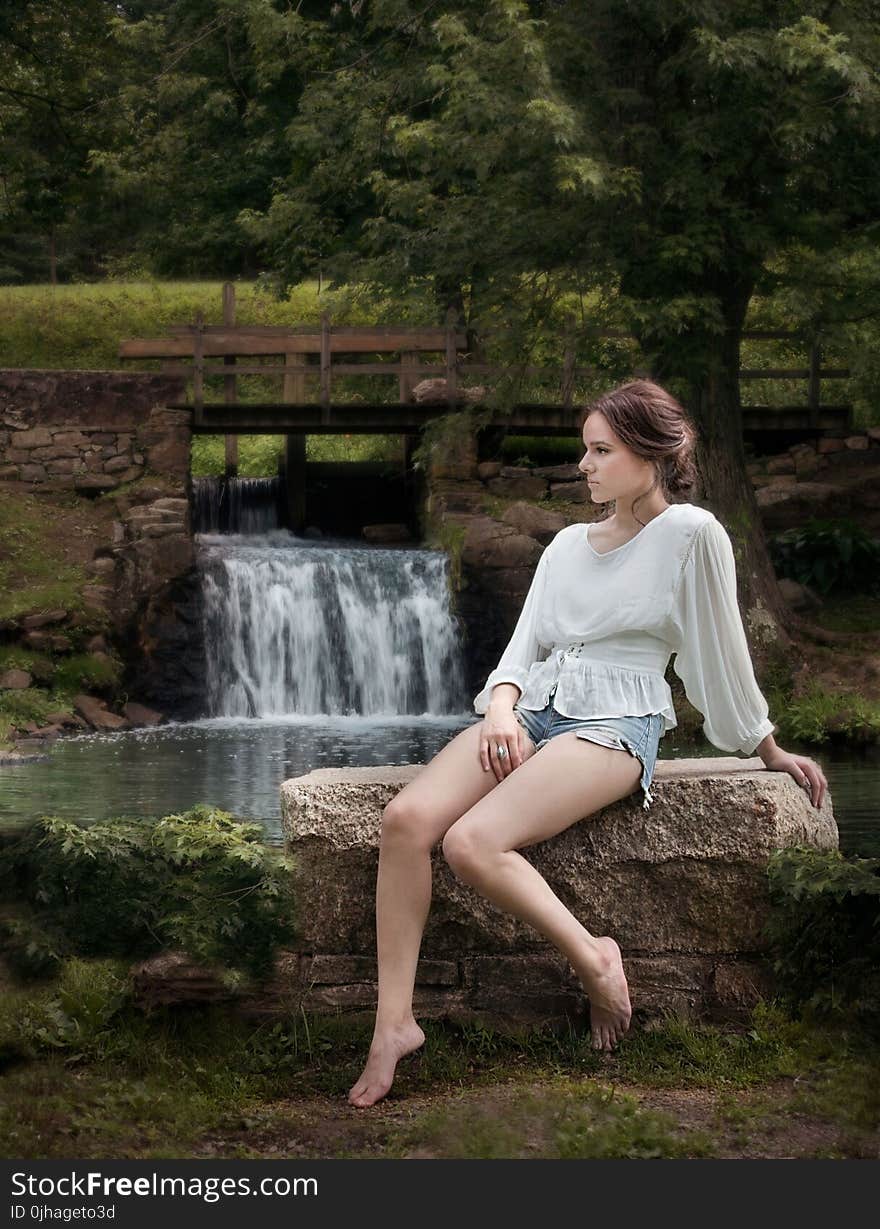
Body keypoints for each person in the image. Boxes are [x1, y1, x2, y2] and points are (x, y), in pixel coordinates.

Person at [347, 378, 828, 1110]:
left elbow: (719, 656)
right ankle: (395, 1024)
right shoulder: (568, 544)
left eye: (601, 450)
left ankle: (596, 959)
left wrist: (766, 746)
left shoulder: (693, 535)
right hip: (533, 710)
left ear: (651, 453)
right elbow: (520, 650)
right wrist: (503, 710)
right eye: (585, 449)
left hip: (616, 723)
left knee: (472, 843)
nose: (585, 464)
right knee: (406, 821)